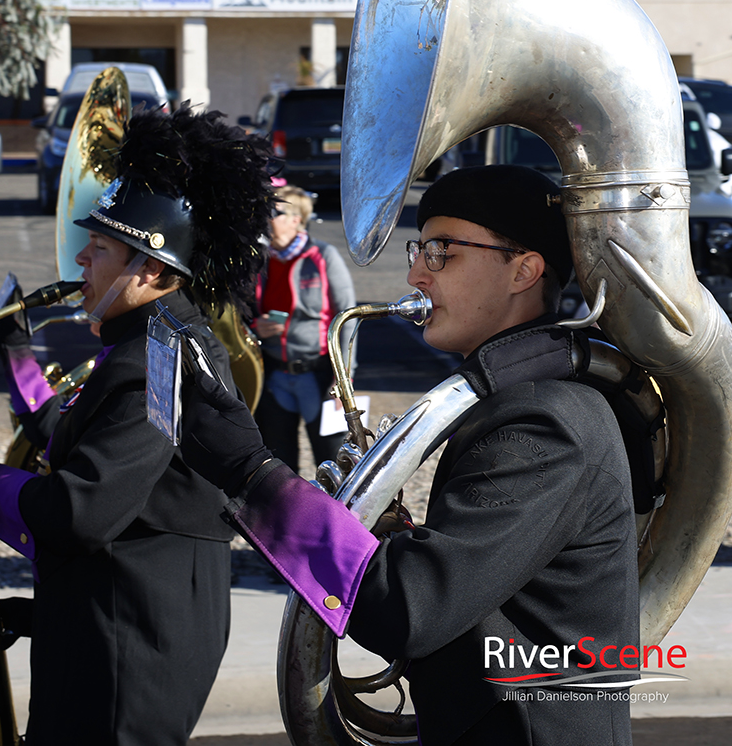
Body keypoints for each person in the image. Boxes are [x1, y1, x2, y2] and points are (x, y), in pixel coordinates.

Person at [179, 165, 639, 746]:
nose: (416, 272)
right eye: (419, 249)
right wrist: (388, 531)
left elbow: (410, 607)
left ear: (524, 270)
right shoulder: (511, 402)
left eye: (442, 251)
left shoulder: (545, 422)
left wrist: (253, 474)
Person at [0, 106, 275, 746]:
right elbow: (86, 447)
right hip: (122, 623)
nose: (82, 257)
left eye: (102, 246)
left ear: (155, 271)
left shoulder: (153, 360)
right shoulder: (149, 342)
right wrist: (18, 357)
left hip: (132, 650)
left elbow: (79, 511)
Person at [253, 184, 357, 472]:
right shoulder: (260, 260)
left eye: (275, 212)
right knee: (278, 464)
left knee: (334, 461)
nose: (267, 217)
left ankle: (340, 517)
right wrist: (255, 327)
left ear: (296, 219)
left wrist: (345, 375)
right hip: (274, 374)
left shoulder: (323, 256)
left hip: (320, 375)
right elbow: (243, 312)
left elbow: (348, 315)